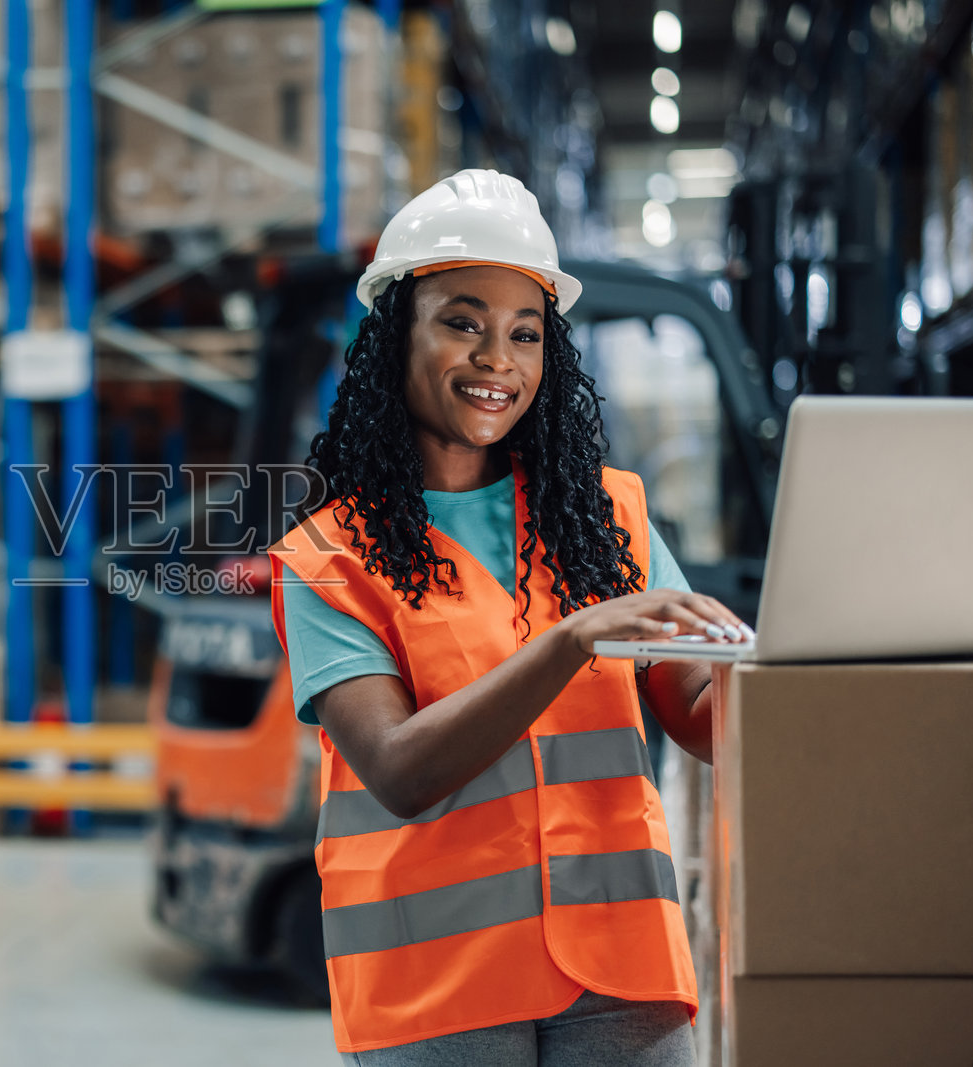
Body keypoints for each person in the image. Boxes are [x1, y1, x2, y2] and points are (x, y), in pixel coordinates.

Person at [267, 169, 749, 1066]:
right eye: (462, 322)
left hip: (622, 966)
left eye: (525, 334)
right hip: (436, 979)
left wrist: (774, 673)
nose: (498, 358)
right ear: (393, 338)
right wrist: (572, 639)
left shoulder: (606, 515)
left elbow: (697, 716)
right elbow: (399, 770)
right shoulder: (324, 557)